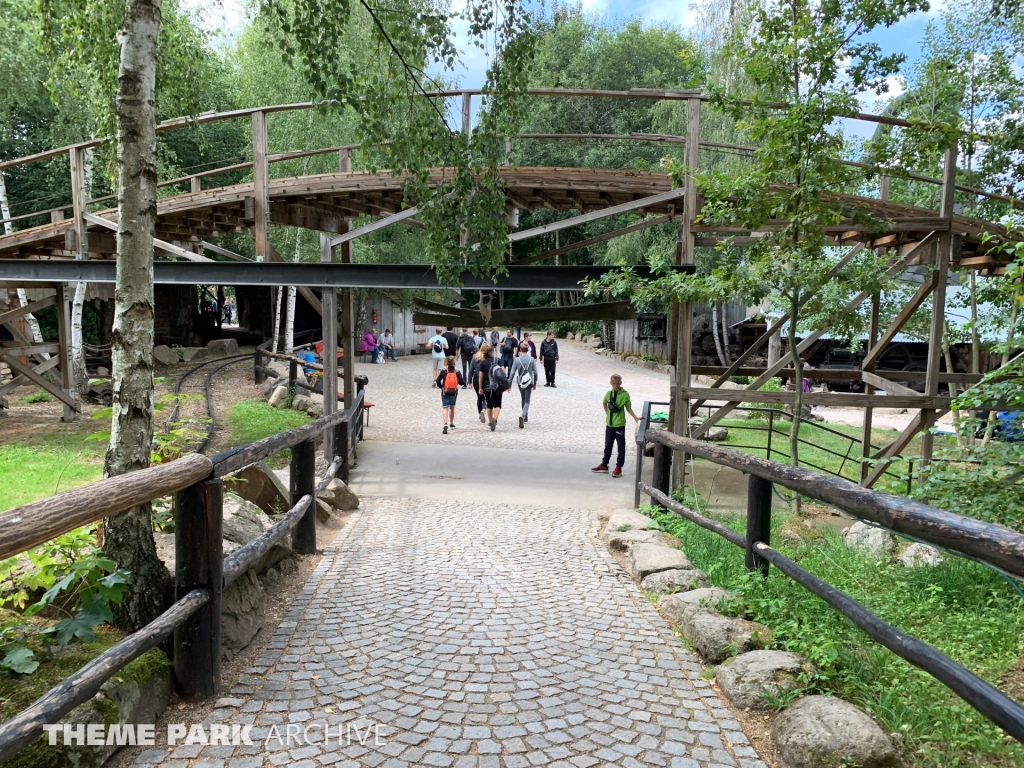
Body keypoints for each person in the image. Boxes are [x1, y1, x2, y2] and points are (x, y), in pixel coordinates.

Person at [592, 374, 640, 477]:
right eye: (614, 383)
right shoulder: (608, 394)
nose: (616, 385)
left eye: (618, 383)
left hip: (619, 425)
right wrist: (607, 413)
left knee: (620, 447)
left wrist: (635, 417)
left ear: (621, 383)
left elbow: (628, 408)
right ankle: (604, 465)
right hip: (609, 425)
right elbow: (604, 403)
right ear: (611, 383)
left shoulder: (625, 394)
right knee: (608, 445)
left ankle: (619, 467)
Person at [476, 343, 506, 431]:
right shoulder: (498, 360)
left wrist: (480, 387)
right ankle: (495, 419)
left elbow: (480, 376)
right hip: (497, 386)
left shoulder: (483, 362)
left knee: (489, 405)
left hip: (487, 386)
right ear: (492, 351)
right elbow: (503, 370)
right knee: (497, 403)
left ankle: (490, 422)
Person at [509, 342, 538, 429]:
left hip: (520, 382)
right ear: (528, 349)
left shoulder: (517, 360)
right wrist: (535, 382)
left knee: (523, 398)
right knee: (527, 400)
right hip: (529, 382)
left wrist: (509, 384)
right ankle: (523, 415)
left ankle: (525, 417)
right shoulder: (531, 359)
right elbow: (536, 372)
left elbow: (512, 372)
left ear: (520, 350)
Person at [435, 356, 464, 434]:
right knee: (452, 407)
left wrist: (441, 386)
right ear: (454, 363)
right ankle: (451, 423)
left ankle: (445, 423)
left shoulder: (444, 371)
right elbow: (462, 382)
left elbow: (437, 380)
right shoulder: (457, 372)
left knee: (445, 408)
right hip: (453, 392)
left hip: (445, 391)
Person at [470, 344, 488, 424]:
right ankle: (484, 409)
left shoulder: (475, 357)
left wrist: (469, 381)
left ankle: (479, 414)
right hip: (485, 378)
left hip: (476, 378)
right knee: (485, 396)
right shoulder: (487, 358)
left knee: (479, 397)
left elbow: (471, 370)